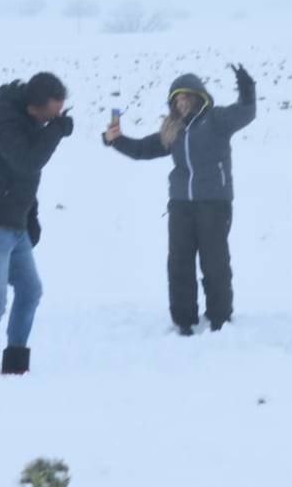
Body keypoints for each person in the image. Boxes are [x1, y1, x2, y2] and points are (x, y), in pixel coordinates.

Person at [103, 65, 256, 335]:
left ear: (199, 97)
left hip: (214, 202)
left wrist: (246, 87)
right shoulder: (173, 130)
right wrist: (116, 141)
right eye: (177, 100)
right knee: (179, 262)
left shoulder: (217, 120)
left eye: (186, 98)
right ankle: (184, 320)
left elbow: (246, 112)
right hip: (180, 204)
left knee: (215, 262)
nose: (181, 103)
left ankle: (220, 317)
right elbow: (141, 150)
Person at [0, 72, 73, 384]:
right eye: (52, 113)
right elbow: (27, 161)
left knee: (30, 289)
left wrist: (30, 218)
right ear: (34, 107)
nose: (56, 119)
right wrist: (57, 133)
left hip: (13, 221)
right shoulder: (0, 119)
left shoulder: (30, 119)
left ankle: (16, 362)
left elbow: (22, 178)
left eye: (60, 112)